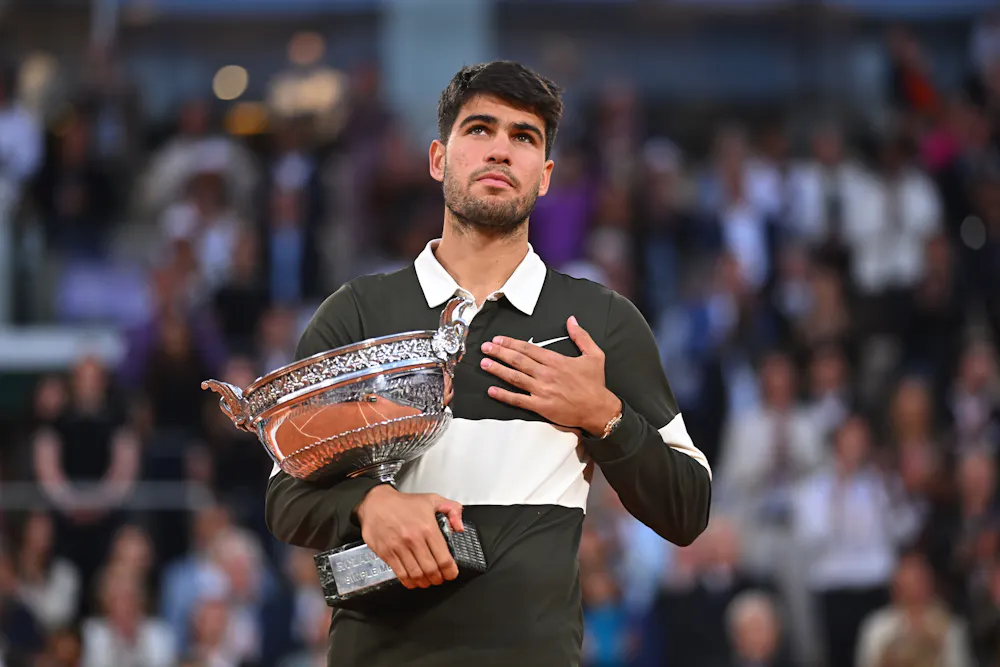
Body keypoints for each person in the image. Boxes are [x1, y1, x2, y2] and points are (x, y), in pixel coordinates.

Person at [264, 60, 712, 667]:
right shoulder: (358, 312)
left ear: (545, 175)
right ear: (437, 159)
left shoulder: (599, 322)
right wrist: (370, 504)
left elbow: (688, 509)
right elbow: (285, 497)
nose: (501, 150)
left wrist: (604, 416)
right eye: (479, 129)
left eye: (524, 137)